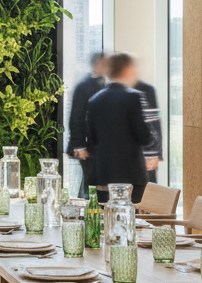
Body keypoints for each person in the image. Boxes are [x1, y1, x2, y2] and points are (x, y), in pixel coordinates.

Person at [86, 51, 153, 204]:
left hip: (102, 172)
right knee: (131, 220)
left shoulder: (95, 100)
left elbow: (92, 139)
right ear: (127, 69)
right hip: (130, 174)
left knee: (105, 220)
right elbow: (144, 136)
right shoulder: (133, 97)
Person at [66, 52, 107, 197]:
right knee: (90, 184)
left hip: (100, 146)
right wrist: (78, 145)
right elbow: (76, 117)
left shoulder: (105, 83)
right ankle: (87, 214)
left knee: (91, 183)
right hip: (87, 146)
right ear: (95, 64)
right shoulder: (83, 86)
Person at [135, 78, 163, 183]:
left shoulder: (146, 89)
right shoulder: (107, 89)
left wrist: (156, 154)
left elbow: (154, 124)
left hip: (145, 154)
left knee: (148, 193)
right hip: (120, 156)